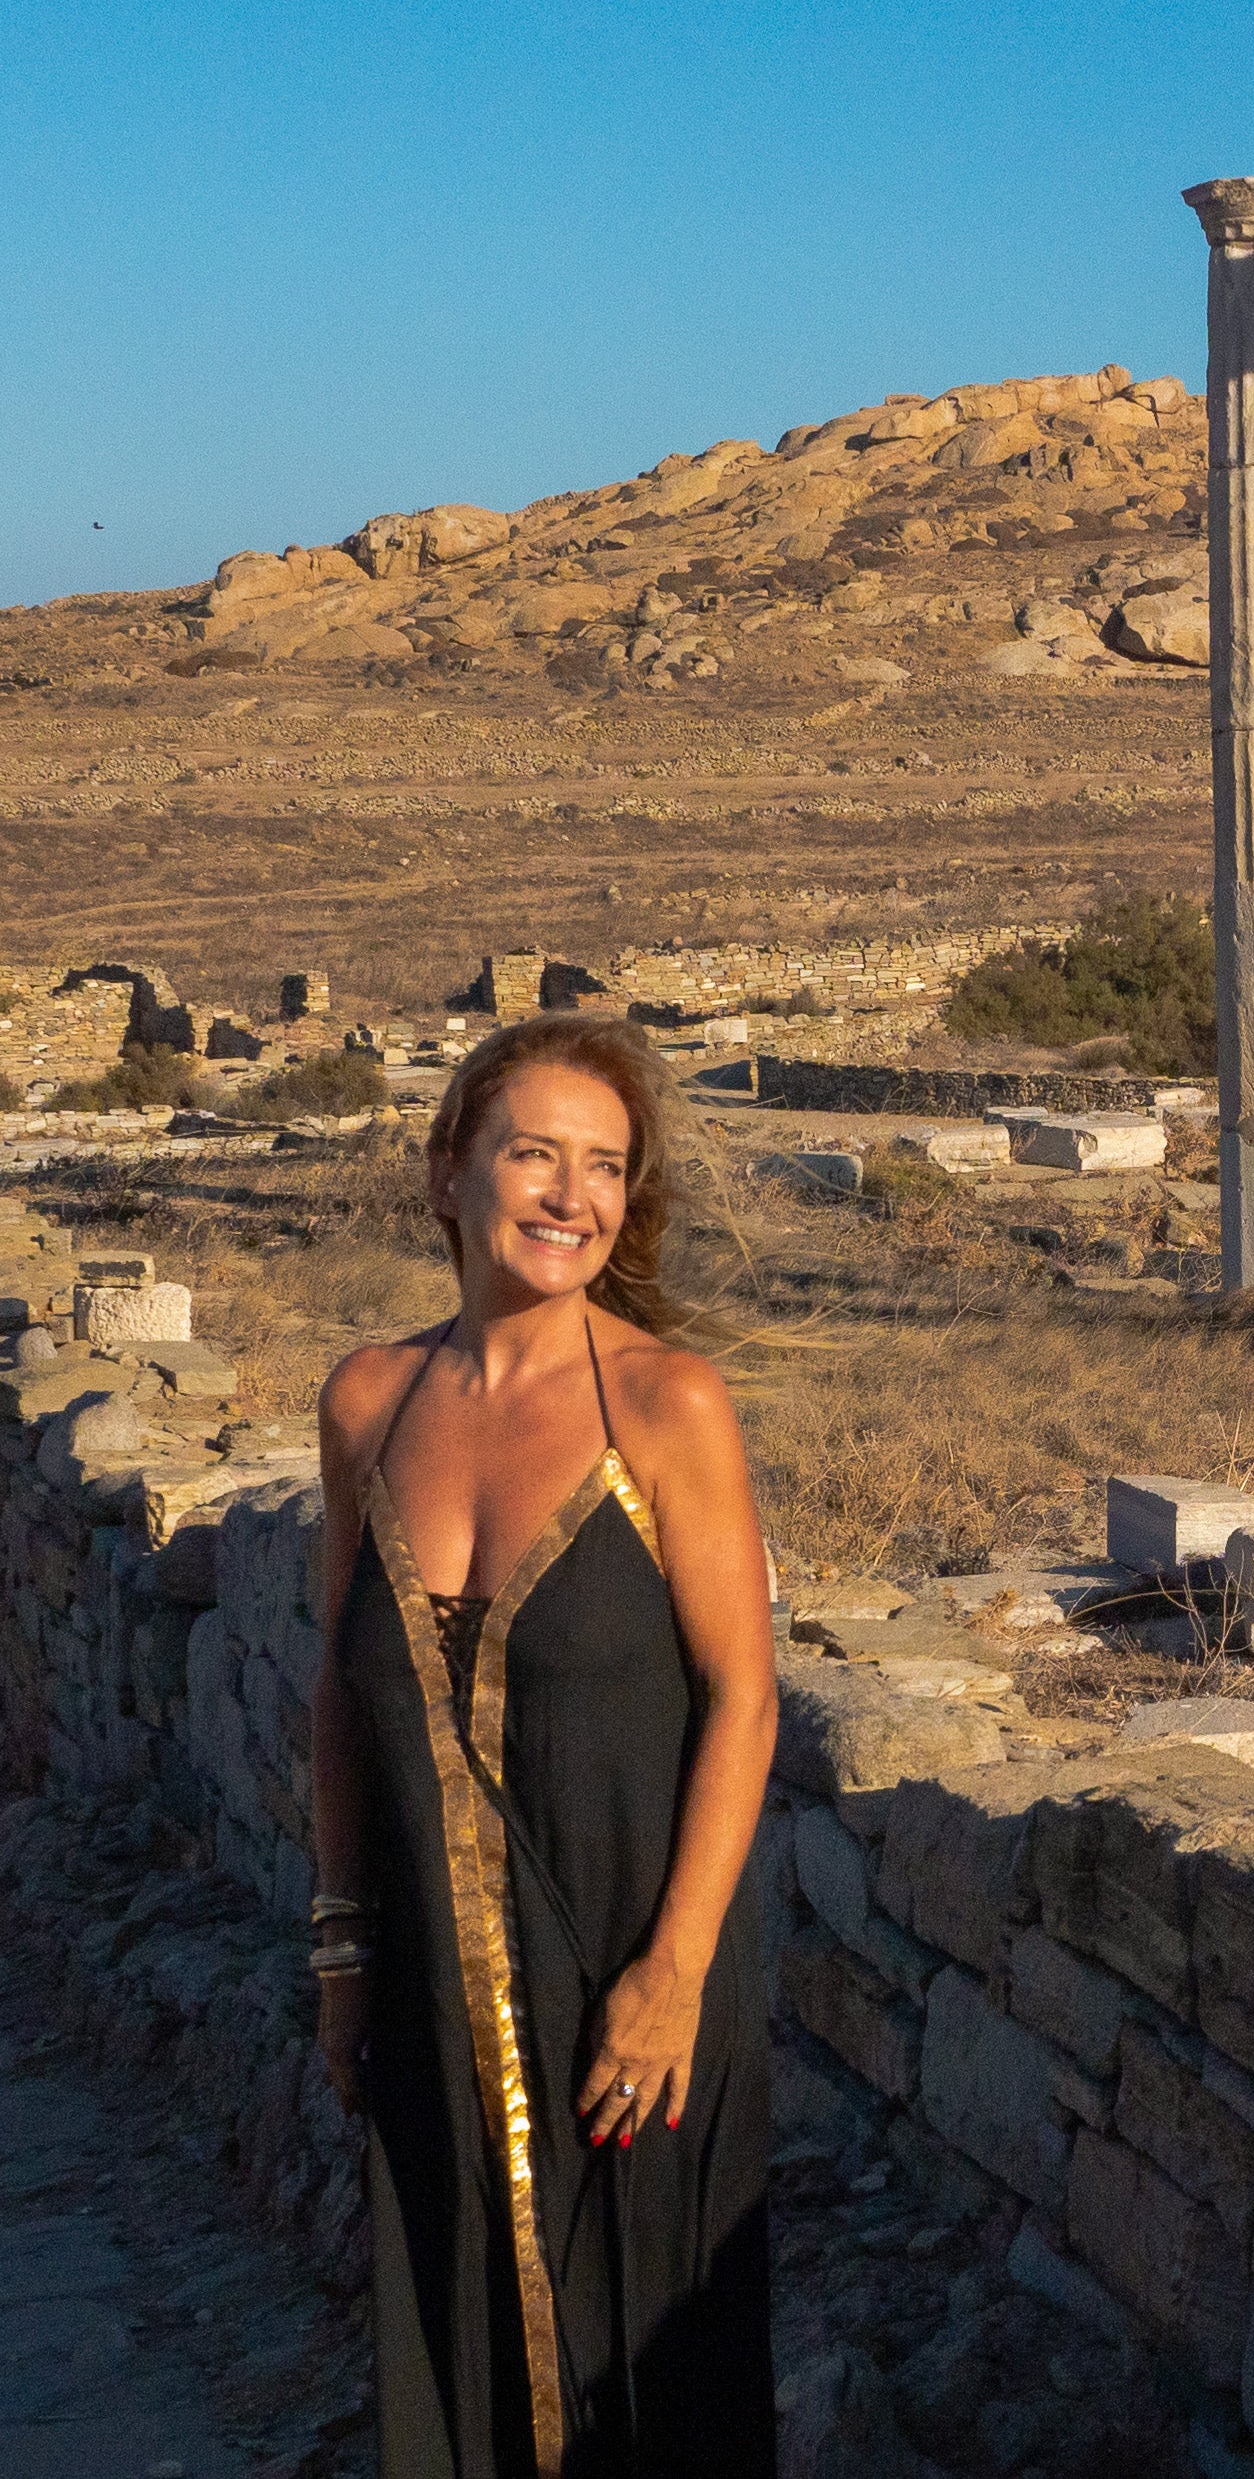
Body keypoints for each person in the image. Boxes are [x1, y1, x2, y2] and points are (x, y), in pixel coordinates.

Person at [311, 1015, 779, 2477]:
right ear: (449, 1172)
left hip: (635, 1978)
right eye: (533, 1155)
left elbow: (746, 1699)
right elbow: (340, 1692)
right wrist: (342, 1955)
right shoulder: (368, 1402)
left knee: (651, 2386)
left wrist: (674, 1976)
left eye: (607, 1168)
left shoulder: (666, 1404)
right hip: (436, 1979)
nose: (572, 1197)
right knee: (457, 2354)